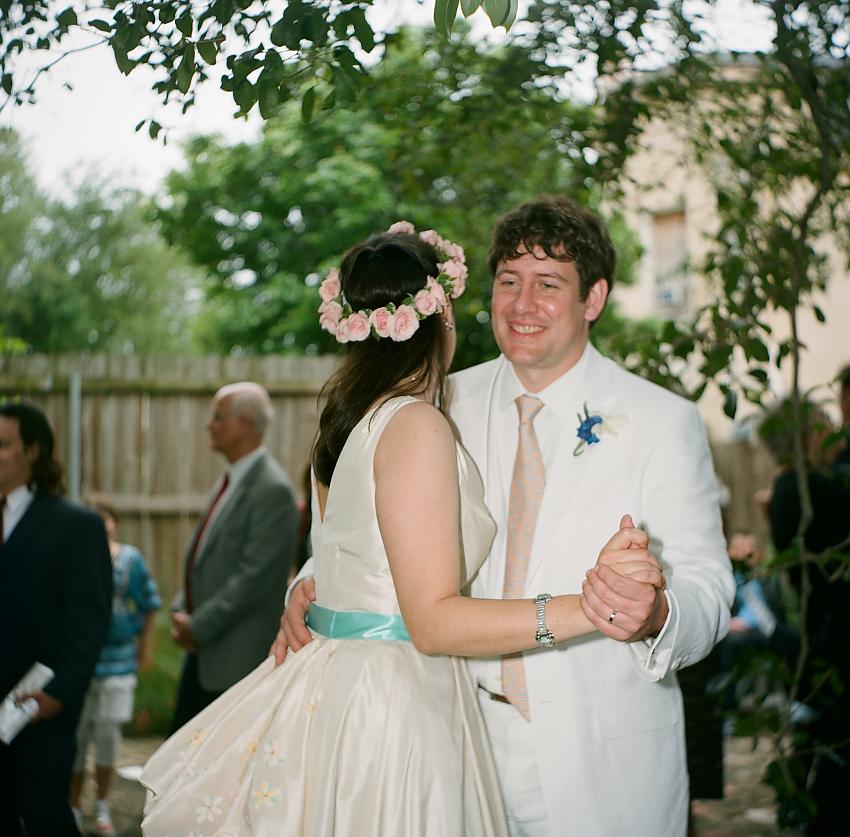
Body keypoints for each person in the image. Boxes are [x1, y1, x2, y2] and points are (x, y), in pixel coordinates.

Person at [140, 222, 665, 835]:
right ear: (440, 313)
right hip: (393, 702)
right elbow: (433, 620)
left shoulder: (347, 421)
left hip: (341, 684)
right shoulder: (415, 425)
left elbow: (350, 557)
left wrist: (305, 589)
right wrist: (592, 607)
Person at [277, 199, 734, 837]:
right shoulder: (435, 403)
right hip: (449, 740)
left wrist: (656, 614)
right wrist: (310, 581)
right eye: (509, 282)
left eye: (549, 285)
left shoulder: (663, 421)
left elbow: (709, 586)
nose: (522, 305)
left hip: (601, 766)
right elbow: (371, 535)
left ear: (594, 298)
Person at [0, 402, 112, 837]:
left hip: (39, 709)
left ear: (33, 450)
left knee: (45, 816)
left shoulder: (75, 525)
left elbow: (90, 621)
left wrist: (61, 693)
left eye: (3, 444)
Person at [169, 381, 299, 731]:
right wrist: (182, 609)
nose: (209, 424)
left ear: (244, 423)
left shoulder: (272, 490)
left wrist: (198, 625)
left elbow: (254, 577)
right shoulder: (233, 478)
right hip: (206, 652)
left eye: (218, 416)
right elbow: (205, 556)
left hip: (235, 662)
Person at [759, 397, 850, 835]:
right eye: (824, 423)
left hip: (819, 631)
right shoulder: (807, 487)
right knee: (828, 749)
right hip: (828, 636)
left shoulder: (793, 485)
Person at [69, 501, 161, 836]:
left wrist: (144, 647)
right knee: (76, 740)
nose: (100, 523)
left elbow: (150, 602)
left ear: (115, 522)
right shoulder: (74, 557)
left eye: (106, 517)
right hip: (80, 662)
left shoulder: (130, 559)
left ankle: (104, 805)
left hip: (119, 660)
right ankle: (74, 805)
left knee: (107, 738)